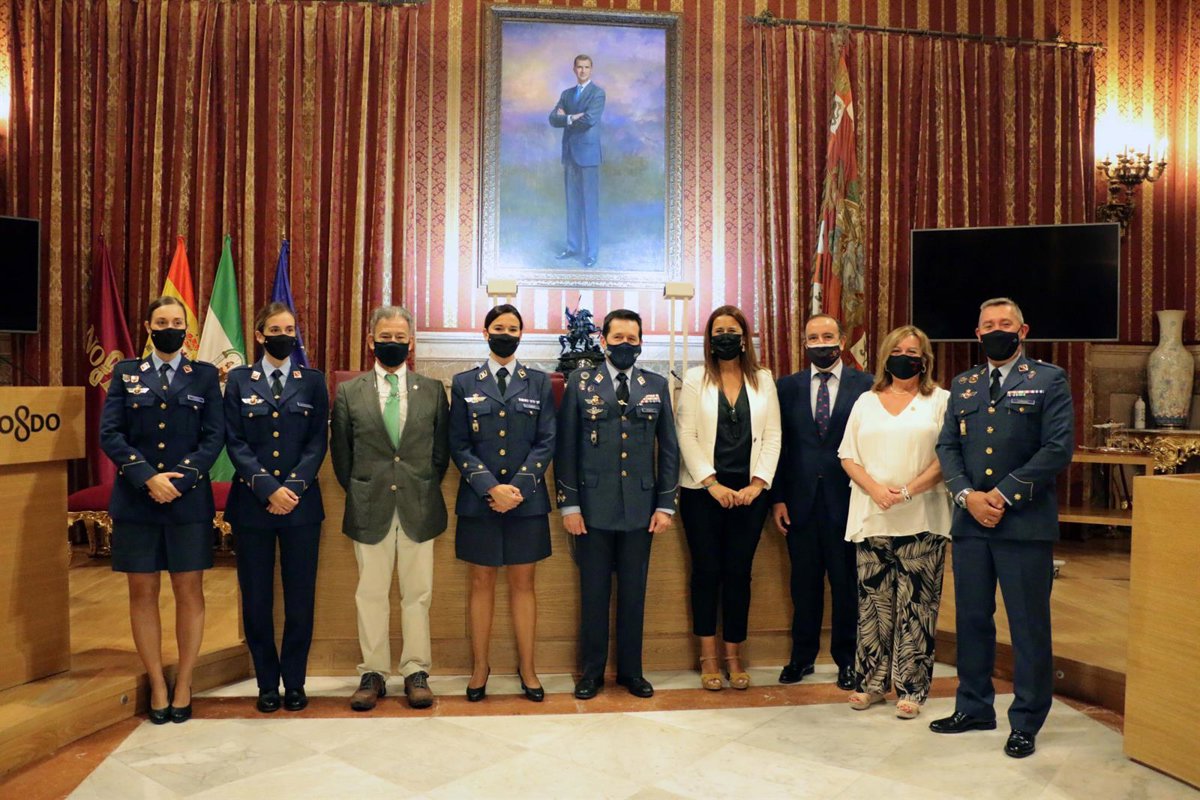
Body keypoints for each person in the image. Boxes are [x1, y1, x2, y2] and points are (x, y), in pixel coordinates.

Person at [931, 297, 1074, 758]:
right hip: (971, 524)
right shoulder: (964, 384)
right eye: (988, 325)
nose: (997, 330)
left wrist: (1003, 495)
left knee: (1028, 625)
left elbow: (1057, 448)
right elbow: (947, 447)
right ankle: (974, 706)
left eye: (1005, 323)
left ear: (1023, 331)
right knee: (972, 620)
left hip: (1024, 525)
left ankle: (1027, 720)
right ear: (977, 334)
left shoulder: (1048, 379)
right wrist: (967, 496)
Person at [99, 296, 224, 724]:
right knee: (142, 593)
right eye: (162, 321)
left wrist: (180, 479)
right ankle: (156, 681)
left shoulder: (203, 375)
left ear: (187, 329)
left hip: (188, 501)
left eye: (177, 322)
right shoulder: (126, 373)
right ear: (148, 327)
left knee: (189, 591)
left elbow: (214, 436)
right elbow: (111, 433)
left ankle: (184, 681)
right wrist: (147, 477)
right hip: (137, 500)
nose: (170, 328)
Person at [330, 306, 450, 711]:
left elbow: (440, 454)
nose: (393, 343)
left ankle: (416, 671)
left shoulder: (432, 390)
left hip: (419, 504)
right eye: (386, 336)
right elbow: (342, 456)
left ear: (411, 342)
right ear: (371, 341)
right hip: (369, 504)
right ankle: (374, 673)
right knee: (370, 593)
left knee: (418, 593)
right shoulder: (350, 392)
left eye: (400, 337)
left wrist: (418, 484)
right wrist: (363, 489)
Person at [556, 308, 679, 699]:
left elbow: (669, 449)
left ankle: (631, 672)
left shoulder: (655, 384)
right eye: (618, 338)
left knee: (634, 594)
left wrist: (666, 505)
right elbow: (566, 447)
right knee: (593, 594)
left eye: (632, 338)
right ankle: (591, 673)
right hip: (592, 509)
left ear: (641, 342)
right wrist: (570, 506)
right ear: (603, 340)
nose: (626, 344)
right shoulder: (580, 383)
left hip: (641, 510)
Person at [837, 325, 952, 718]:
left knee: (917, 608)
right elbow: (847, 455)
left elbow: (946, 457)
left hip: (922, 517)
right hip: (872, 516)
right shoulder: (866, 401)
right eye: (898, 350)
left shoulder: (940, 400)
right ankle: (870, 684)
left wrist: (906, 491)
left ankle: (912, 688)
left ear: (925, 359)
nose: (905, 357)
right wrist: (876, 490)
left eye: (913, 352)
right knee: (873, 606)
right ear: (886, 356)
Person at [223, 302, 329, 714]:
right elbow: (235, 441)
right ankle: (267, 682)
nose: (284, 336)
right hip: (253, 505)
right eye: (275, 330)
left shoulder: (312, 381)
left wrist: (292, 487)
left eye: (289, 329)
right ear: (259, 335)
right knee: (256, 599)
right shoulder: (238, 380)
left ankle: (295, 681)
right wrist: (268, 488)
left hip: (301, 507)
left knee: (300, 598)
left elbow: (317, 442)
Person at [449, 304, 556, 703]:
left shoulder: (539, 382)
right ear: (485, 332)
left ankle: (528, 667)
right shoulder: (464, 382)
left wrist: (517, 489)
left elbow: (546, 441)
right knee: (481, 583)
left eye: (512, 328)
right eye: (499, 327)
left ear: (521, 335)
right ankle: (480, 666)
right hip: (480, 501)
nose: (505, 334)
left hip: (526, 502)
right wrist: (491, 489)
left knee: (524, 584)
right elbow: (458, 444)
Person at [676, 305, 781, 690]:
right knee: (706, 573)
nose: (725, 337)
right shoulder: (695, 378)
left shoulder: (763, 379)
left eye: (732, 331)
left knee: (739, 574)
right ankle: (708, 656)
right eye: (718, 331)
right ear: (709, 339)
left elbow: (773, 435)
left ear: (744, 338)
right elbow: (686, 434)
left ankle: (734, 656)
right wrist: (712, 483)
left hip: (751, 495)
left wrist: (758, 483)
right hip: (703, 493)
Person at [771, 314, 874, 690]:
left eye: (827, 336)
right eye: (813, 337)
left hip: (848, 500)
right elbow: (778, 445)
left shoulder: (867, 385)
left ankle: (847, 660)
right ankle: (802, 657)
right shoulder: (786, 387)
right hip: (800, 503)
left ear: (842, 341)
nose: (820, 343)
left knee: (846, 586)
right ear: (804, 344)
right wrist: (778, 498)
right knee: (804, 586)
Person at [549, 54, 605, 268]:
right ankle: (573, 247)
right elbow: (553, 119)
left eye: (586, 67)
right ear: (574, 69)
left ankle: (591, 253)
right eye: (579, 67)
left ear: (591, 69)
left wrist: (566, 118)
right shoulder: (566, 94)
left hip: (588, 156)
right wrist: (572, 117)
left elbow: (590, 119)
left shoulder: (597, 93)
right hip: (570, 154)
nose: (582, 71)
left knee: (589, 206)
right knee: (572, 204)